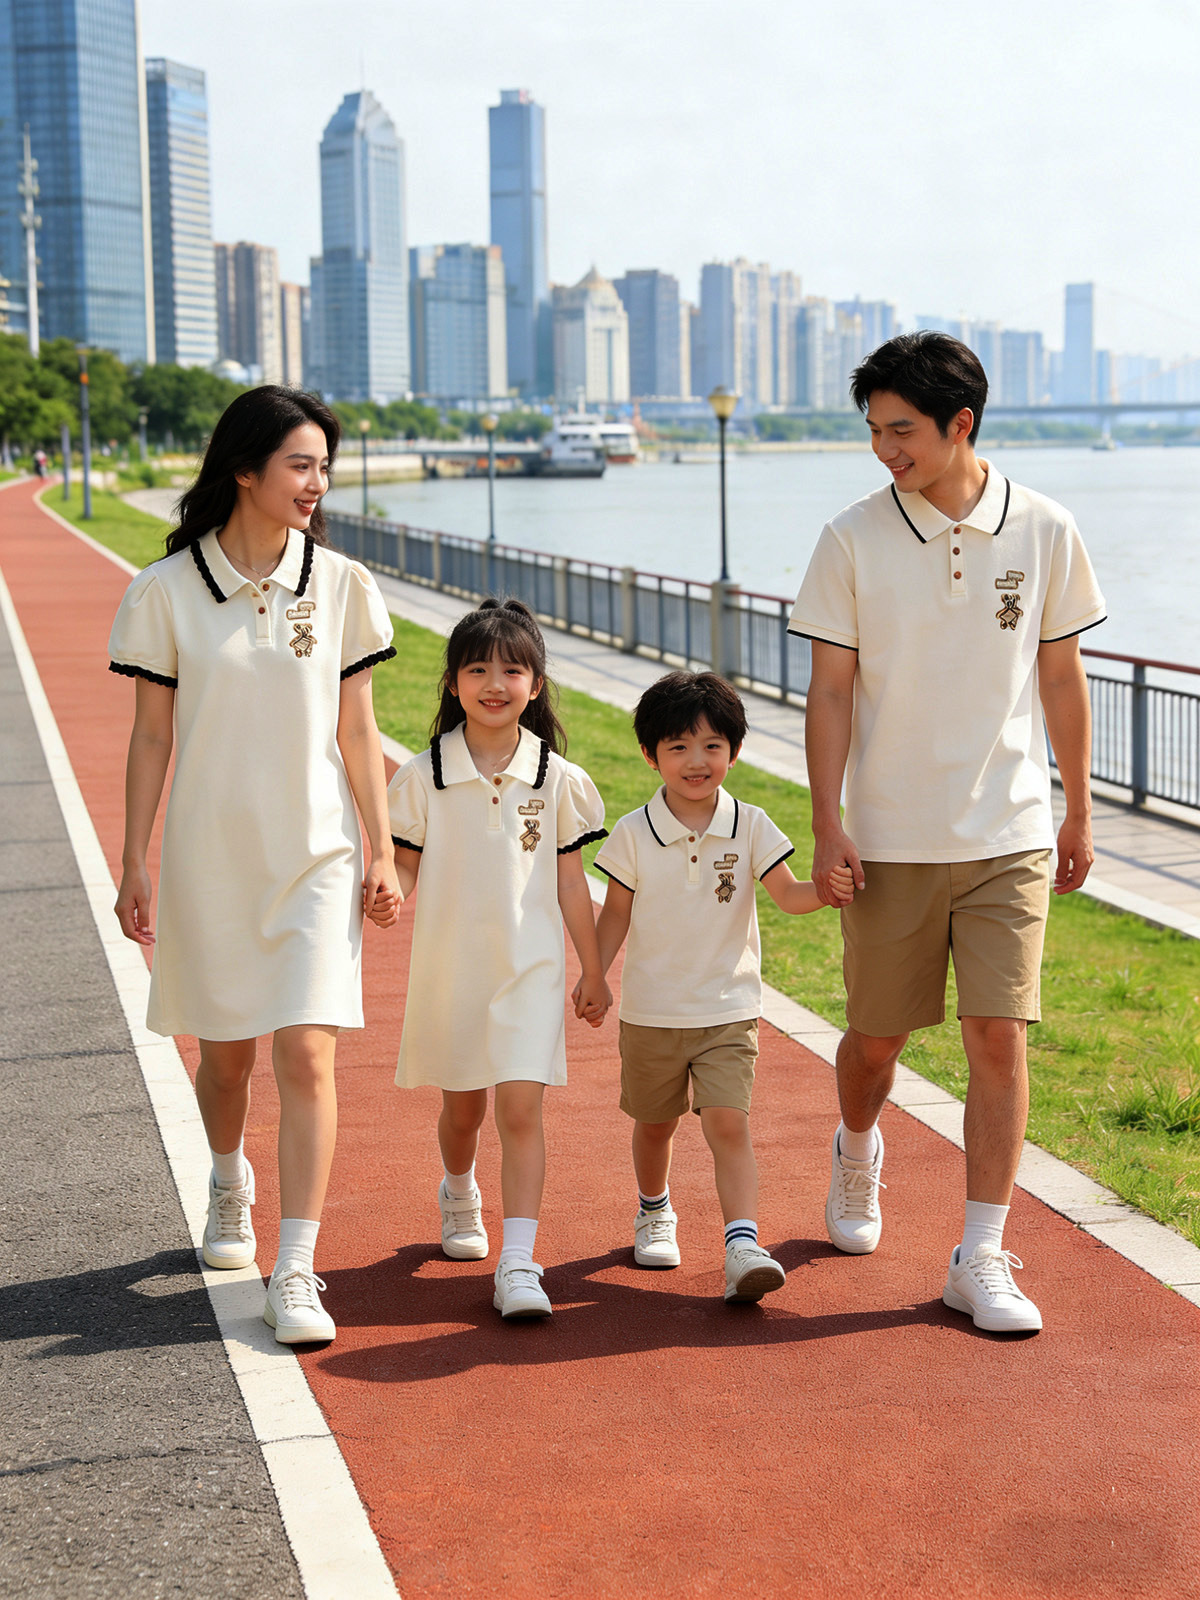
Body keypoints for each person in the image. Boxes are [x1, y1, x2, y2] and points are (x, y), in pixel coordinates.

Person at [790, 331, 1106, 1334]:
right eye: (875, 432)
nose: (886, 450)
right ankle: (855, 1147)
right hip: (889, 835)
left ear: (960, 425)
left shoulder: (1047, 528)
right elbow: (830, 689)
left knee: (997, 1036)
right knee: (877, 1041)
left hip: (1006, 826)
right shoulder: (850, 538)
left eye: (903, 431)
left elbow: (1060, 676)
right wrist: (828, 820)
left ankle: (981, 1252)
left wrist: (1079, 805)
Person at [109, 385, 400, 1347]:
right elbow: (151, 737)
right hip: (209, 858)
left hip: (316, 853)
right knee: (226, 1061)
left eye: (324, 466)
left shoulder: (346, 583)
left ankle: (297, 1266)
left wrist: (382, 848)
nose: (318, 483)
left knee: (308, 1052)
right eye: (300, 465)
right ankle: (230, 1178)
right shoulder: (165, 591)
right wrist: (134, 858)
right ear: (246, 470)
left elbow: (359, 729)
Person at [593, 672, 854, 1302]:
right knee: (655, 1126)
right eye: (678, 747)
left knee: (728, 1123)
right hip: (652, 1011)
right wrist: (593, 974)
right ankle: (654, 1210)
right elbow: (616, 914)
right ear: (650, 754)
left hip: (729, 1009)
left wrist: (826, 890)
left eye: (712, 745)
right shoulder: (633, 831)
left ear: (733, 752)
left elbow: (788, 895)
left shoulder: (751, 824)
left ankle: (742, 1243)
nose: (697, 761)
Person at [388, 598, 610, 1320]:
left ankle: (519, 1262)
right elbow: (405, 867)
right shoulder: (423, 776)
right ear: (452, 683)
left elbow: (572, 884)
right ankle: (459, 1189)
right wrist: (387, 892)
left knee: (520, 1109)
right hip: (453, 969)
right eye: (478, 668)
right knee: (463, 1113)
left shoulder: (560, 779)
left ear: (537, 684)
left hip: (532, 971)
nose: (495, 682)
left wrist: (594, 967)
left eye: (512, 670)